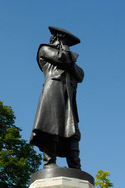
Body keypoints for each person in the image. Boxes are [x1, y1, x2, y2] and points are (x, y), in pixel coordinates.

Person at [30, 26, 84, 169]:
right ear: (58, 39)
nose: (67, 45)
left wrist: (71, 63)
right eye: (65, 41)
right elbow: (63, 59)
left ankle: (75, 166)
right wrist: (66, 51)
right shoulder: (45, 49)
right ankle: (49, 162)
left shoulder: (69, 60)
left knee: (72, 131)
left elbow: (81, 75)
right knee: (51, 126)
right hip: (53, 92)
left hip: (68, 97)